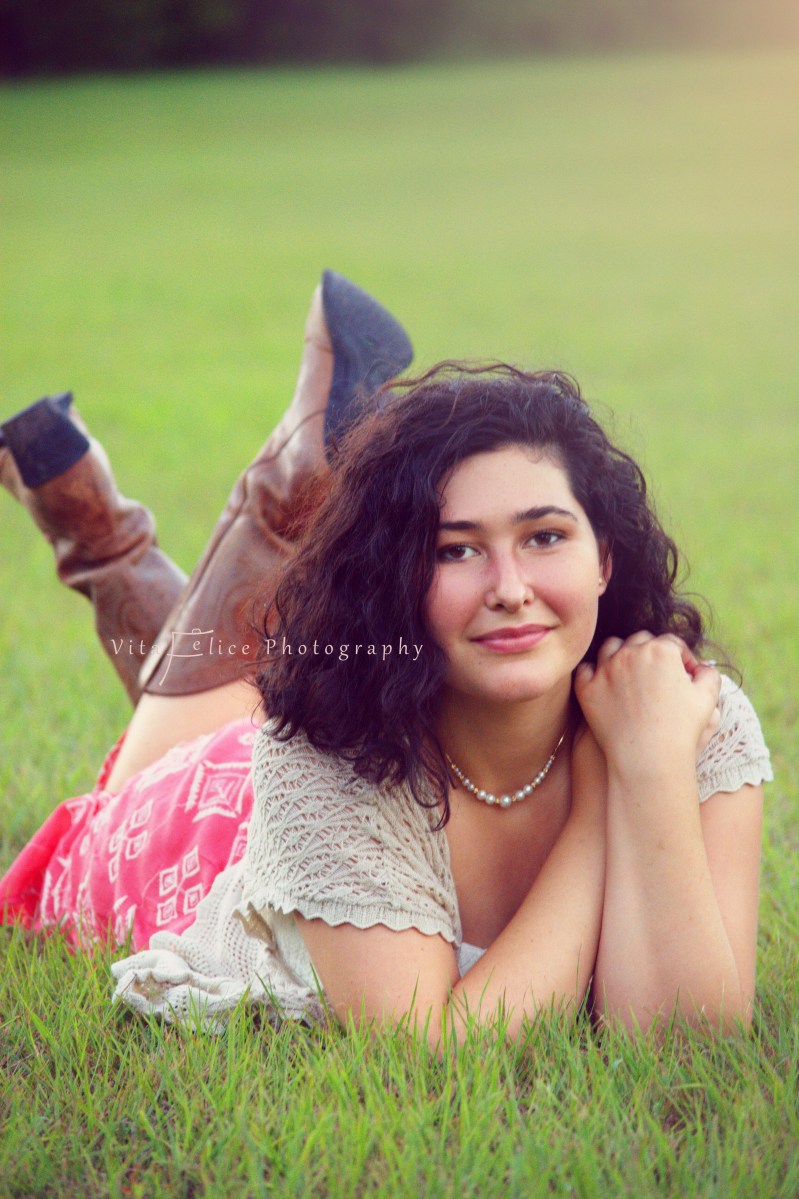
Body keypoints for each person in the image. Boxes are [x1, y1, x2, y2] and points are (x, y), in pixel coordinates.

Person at [0, 283, 771, 1044]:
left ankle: (120, 528)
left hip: (338, 747)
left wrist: (651, 765)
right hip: (210, 824)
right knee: (138, 775)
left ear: (603, 557)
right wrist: (605, 790)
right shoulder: (321, 760)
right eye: (455, 549)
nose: (510, 589)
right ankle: (144, 524)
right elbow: (434, 1049)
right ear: (398, 574)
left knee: (239, 675)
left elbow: (689, 1043)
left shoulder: (681, 713)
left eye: (544, 537)